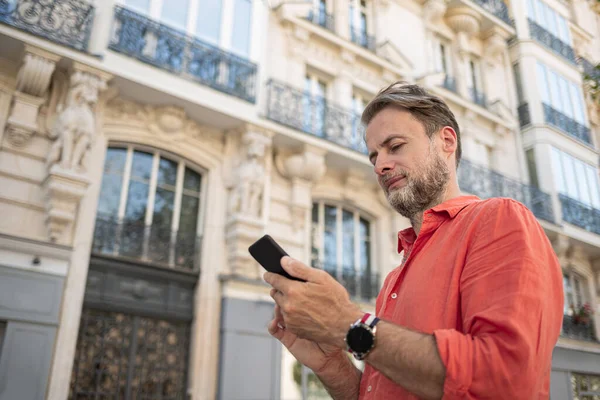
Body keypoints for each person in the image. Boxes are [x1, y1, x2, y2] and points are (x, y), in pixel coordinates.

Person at [263, 81, 564, 399]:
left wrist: (345, 323)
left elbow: (504, 378)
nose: (381, 165)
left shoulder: (498, 219)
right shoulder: (394, 277)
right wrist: (330, 365)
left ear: (446, 141)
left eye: (395, 146)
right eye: (374, 157)